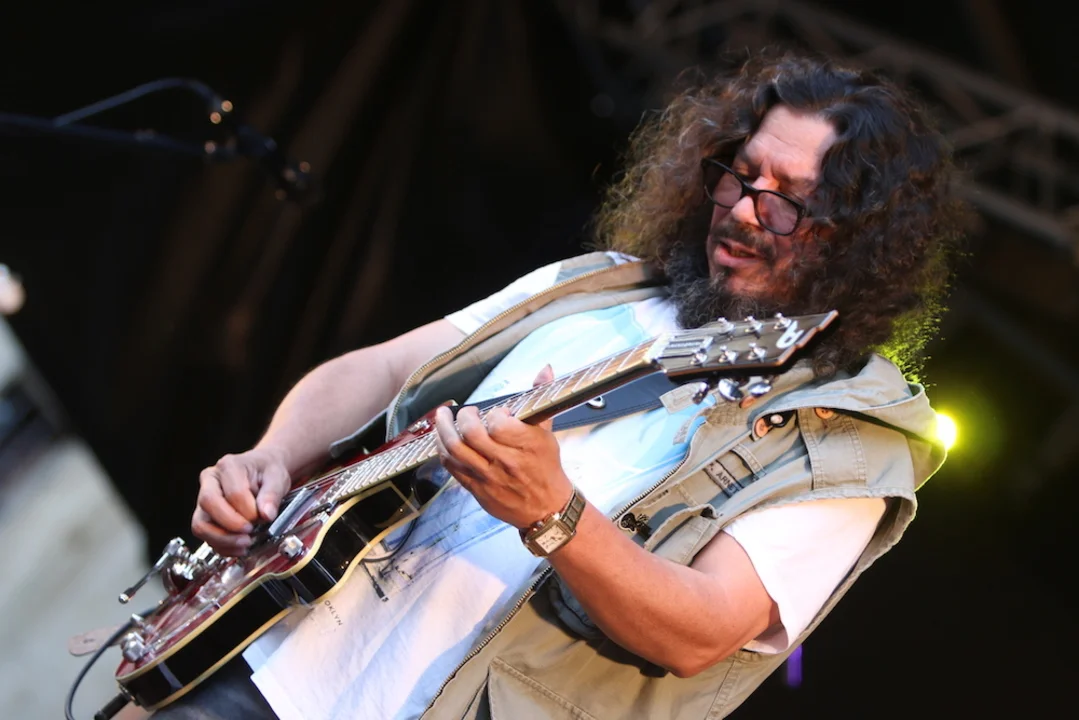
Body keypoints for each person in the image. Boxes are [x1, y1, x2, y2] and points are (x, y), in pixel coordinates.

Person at [155, 50, 967, 719]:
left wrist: (554, 515)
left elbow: (702, 630)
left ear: (858, 242)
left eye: (790, 203)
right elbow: (384, 368)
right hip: (263, 654)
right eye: (740, 175)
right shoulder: (598, 285)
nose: (747, 211)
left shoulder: (848, 441)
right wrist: (271, 458)